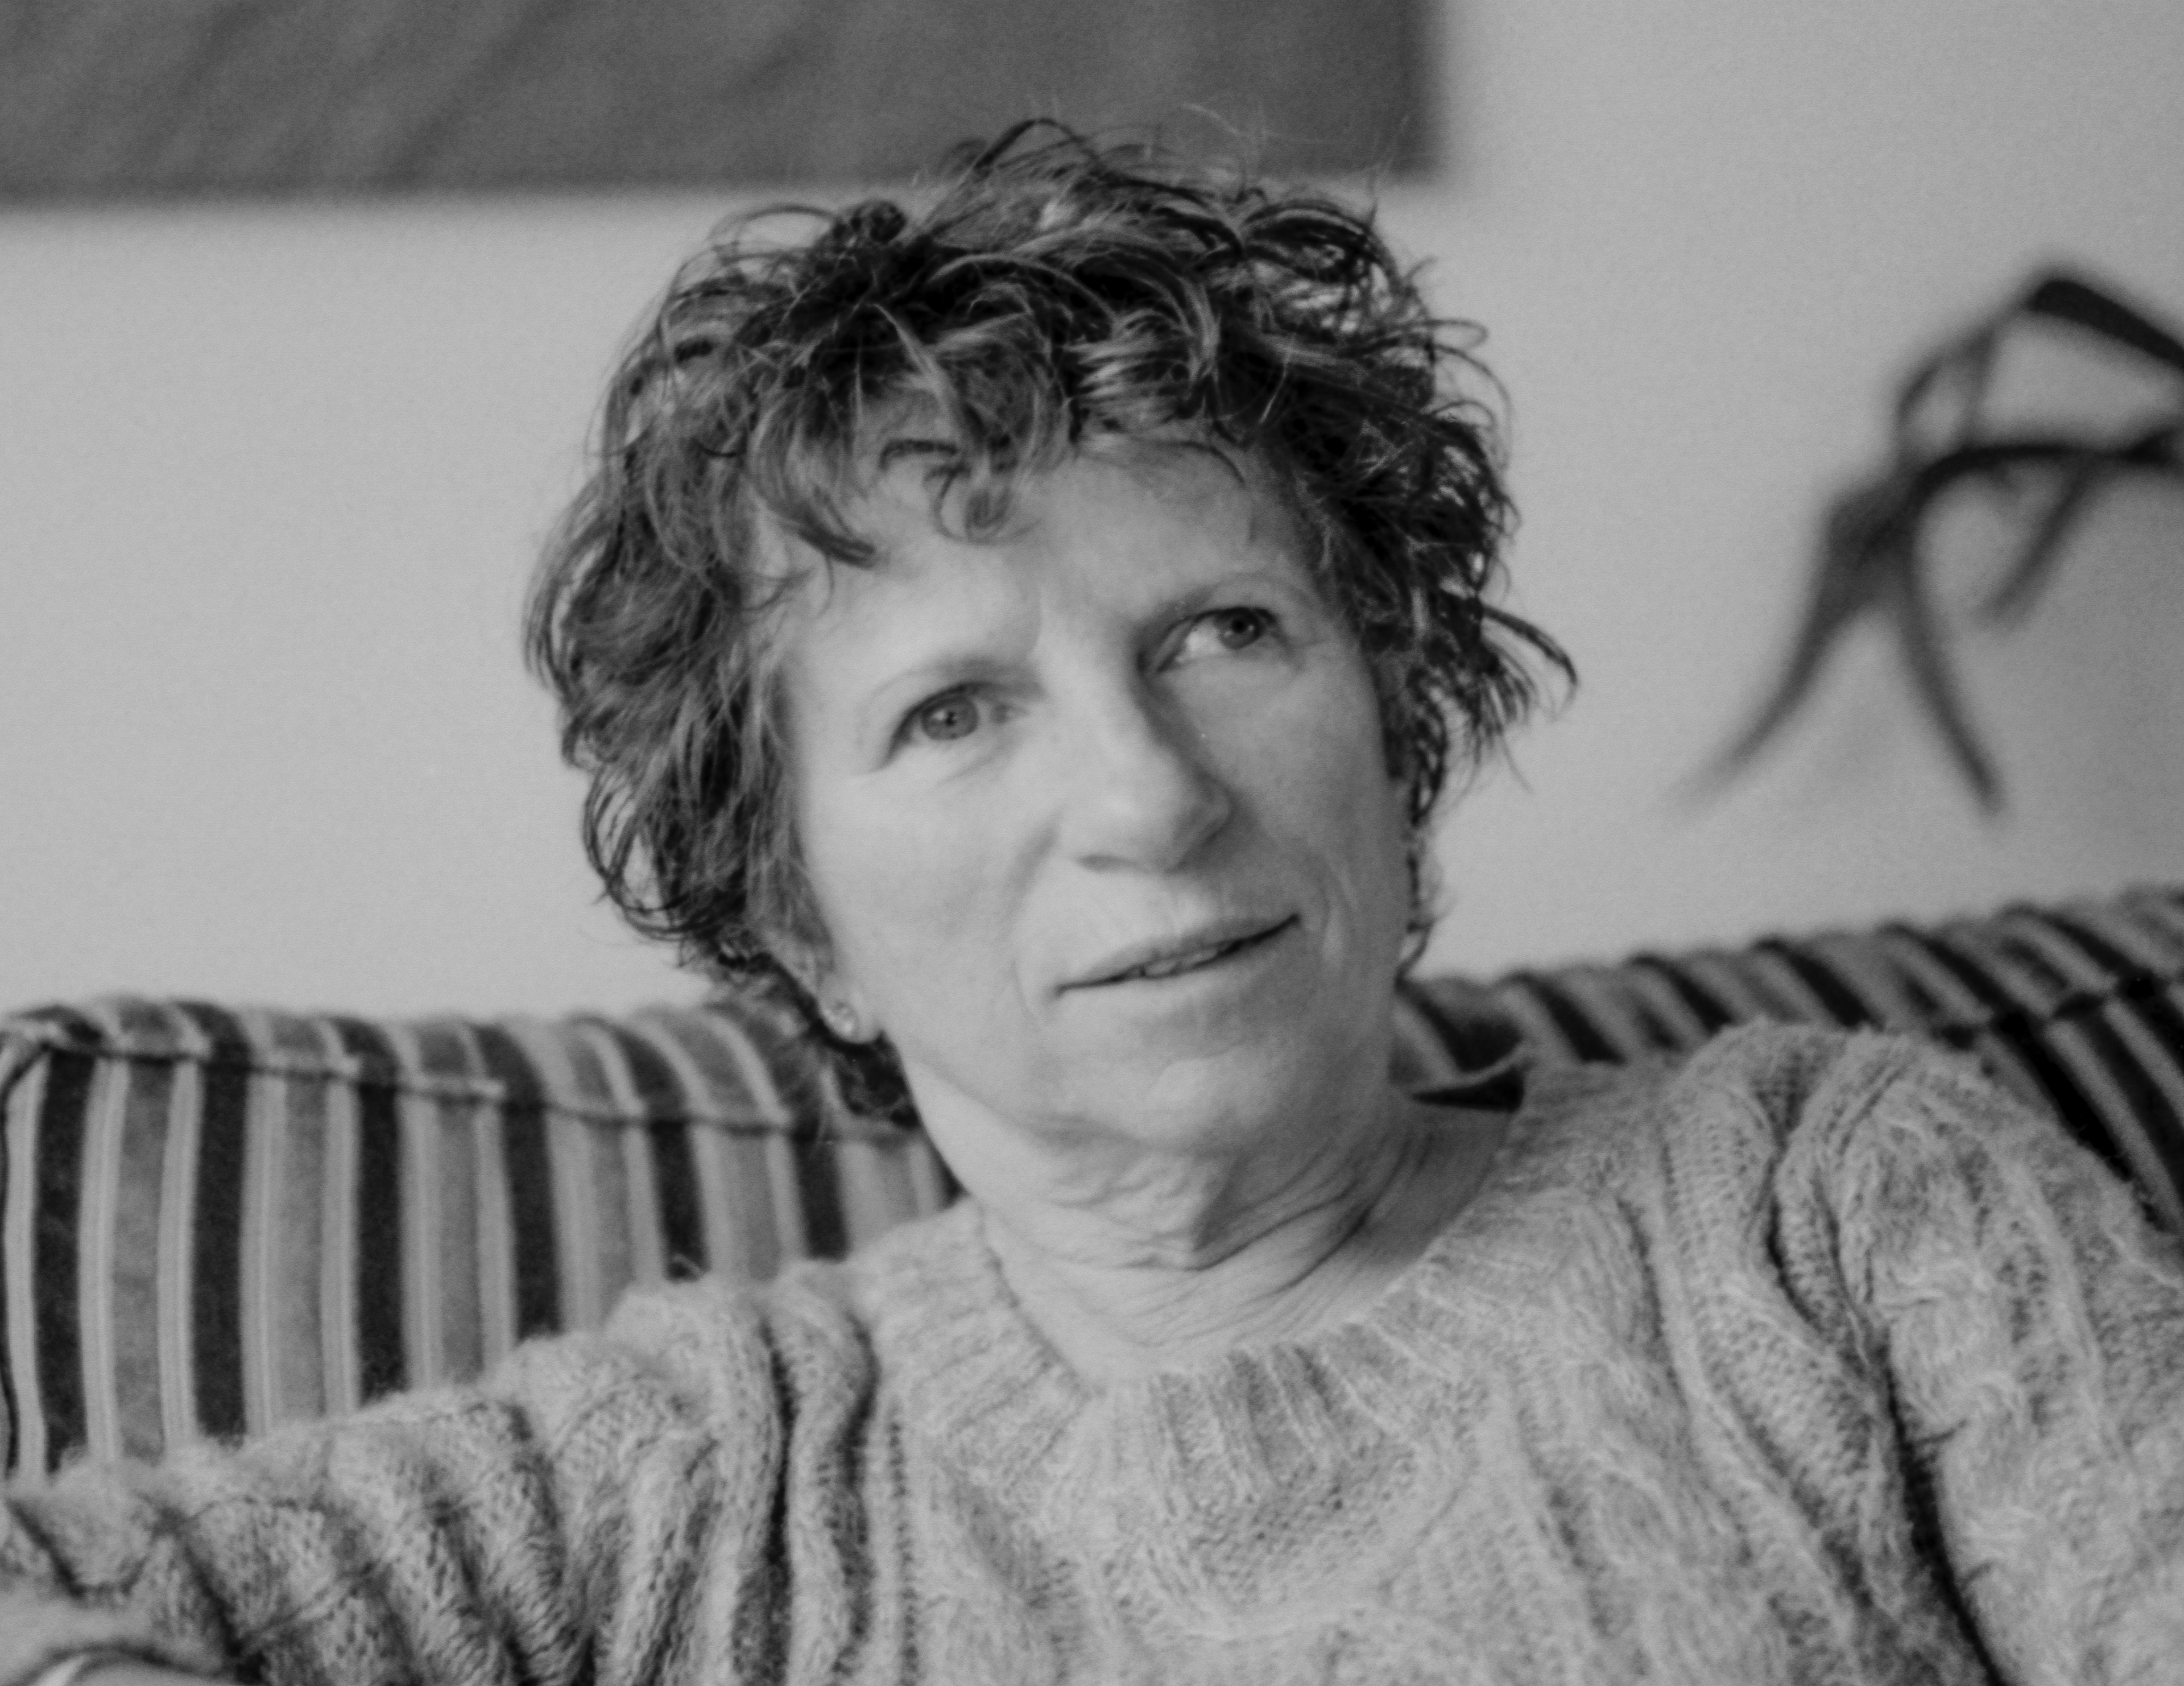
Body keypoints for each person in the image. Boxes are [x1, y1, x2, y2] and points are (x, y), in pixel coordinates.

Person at [5, 124, 2182, 1686]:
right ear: (800, 919)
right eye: (954, 712)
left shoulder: (1832, 1204)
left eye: (1224, 631)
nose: (1148, 793)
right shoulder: (712, 1474)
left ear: (1396, 717)